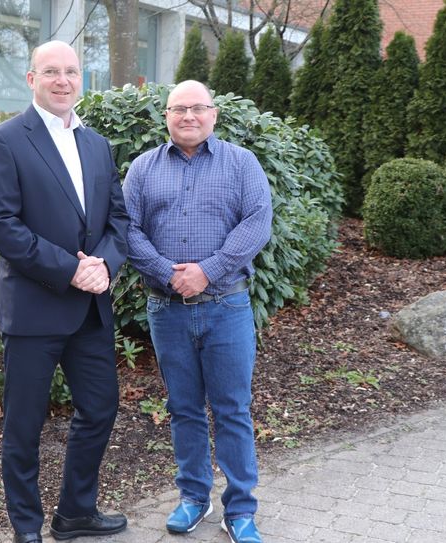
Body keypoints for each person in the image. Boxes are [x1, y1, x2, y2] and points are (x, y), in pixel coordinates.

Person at [0, 40, 129, 543]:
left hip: (88, 310)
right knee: (24, 425)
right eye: (51, 72)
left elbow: (119, 220)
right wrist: (70, 269)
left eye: (71, 72)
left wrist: (104, 264)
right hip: (36, 308)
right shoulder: (4, 140)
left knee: (101, 406)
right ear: (31, 79)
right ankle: (27, 527)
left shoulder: (99, 145)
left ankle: (75, 513)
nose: (62, 81)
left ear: (81, 78)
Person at [123, 80, 273, 543]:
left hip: (226, 306)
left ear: (214, 114)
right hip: (166, 310)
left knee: (231, 409)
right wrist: (168, 272)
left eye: (197, 108)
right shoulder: (143, 169)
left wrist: (206, 271)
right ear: (166, 115)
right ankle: (194, 497)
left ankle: (241, 510)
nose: (188, 116)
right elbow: (126, 228)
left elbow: (257, 222)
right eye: (178, 109)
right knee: (184, 408)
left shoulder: (242, 163)